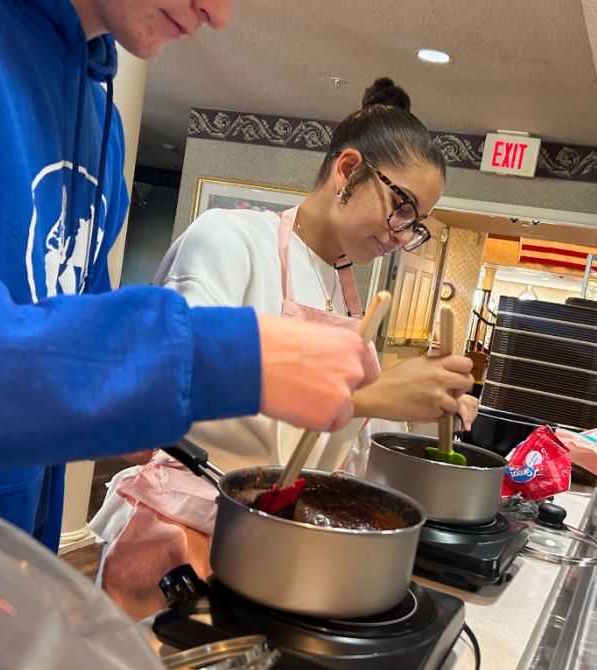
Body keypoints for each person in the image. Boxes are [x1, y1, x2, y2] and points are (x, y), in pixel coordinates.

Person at [0, 0, 376, 550]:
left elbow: (68, 332)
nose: (219, 10)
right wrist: (224, 358)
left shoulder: (98, 119)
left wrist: (129, 403)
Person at [150, 78, 477, 475]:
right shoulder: (231, 239)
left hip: (286, 522)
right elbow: (175, 378)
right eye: (402, 208)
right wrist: (368, 396)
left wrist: (429, 413)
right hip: (190, 508)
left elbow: (354, 457)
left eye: (416, 224)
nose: (402, 234)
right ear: (348, 170)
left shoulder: (352, 309)